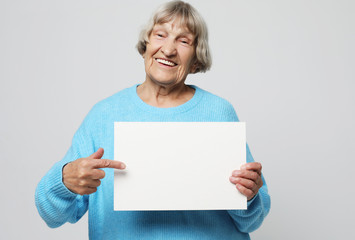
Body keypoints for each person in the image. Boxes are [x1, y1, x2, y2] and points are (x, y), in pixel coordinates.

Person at [35, 1, 270, 239]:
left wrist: (249, 195)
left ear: (196, 59)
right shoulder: (104, 115)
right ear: (145, 45)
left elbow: (252, 220)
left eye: (184, 40)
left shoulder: (219, 112)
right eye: (160, 35)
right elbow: (51, 215)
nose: (168, 49)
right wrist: (64, 180)